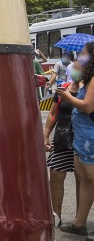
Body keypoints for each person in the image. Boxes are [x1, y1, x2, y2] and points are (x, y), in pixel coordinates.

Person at [58, 42, 94, 241]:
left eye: (83, 54)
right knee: (84, 178)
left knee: (91, 178)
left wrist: (68, 97)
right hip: (81, 136)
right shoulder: (87, 79)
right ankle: (79, 223)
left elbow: (88, 106)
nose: (79, 56)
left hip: (90, 136)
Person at [44, 79, 80, 227]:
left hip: (82, 139)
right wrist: (46, 135)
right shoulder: (63, 88)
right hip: (62, 138)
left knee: (82, 179)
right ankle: (56, 215)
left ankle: (79, 219)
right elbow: (53, 113)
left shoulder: (89, 88)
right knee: (56, 174)